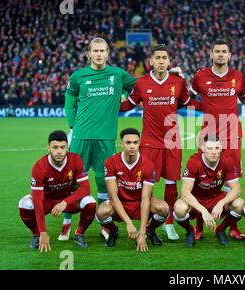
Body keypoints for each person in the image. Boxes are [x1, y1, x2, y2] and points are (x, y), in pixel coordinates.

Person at [119, 44, 201, 241]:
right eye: (158, 58)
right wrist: (105, 105)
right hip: (149, 143)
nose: (162, 61)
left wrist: (210, 106)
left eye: (165, 58)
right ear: (151, 61)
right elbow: (128, 104)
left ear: (169, 61)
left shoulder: (178, 82)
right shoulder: (142, 83)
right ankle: (146, 224)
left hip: (172, 141)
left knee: (171, 181)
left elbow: (187, 103)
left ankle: (169, 224)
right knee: (146, 184)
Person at [188, 38, 245, 241]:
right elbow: (191, 99)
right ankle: (199, 226)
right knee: (202, 179)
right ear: (211, 54)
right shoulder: (200, 77)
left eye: (224, 51)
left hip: (232, 135)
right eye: (217, 51)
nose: (221, 54)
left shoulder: (237, 76)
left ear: (230, 55)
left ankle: (231, 226)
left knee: (232, 181)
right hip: (209, 134)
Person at [62, 37, 137, 240]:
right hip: (81, 136)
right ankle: (67, 223)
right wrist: (72, 125)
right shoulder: (78, 76)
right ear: (89, 53)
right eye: (95, 51)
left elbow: (142, 87)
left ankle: (104, 223)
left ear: (107, 53)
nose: (98, 54)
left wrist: (167, 73)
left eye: (102, 51)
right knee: (74, 181)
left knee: (105, 180)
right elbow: (69, 101)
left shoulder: (118, 74)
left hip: (105, 137)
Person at [18, 130, 96, 251]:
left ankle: (79, 234)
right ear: (48, 147)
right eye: (55, 147)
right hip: (47, 201)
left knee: (90, 202)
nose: (59, 151)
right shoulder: (39, 167)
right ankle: (36, 235)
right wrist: (43, 232)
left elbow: (86, 188)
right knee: (24, 204)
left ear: (67, 147)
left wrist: (65, 202)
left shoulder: (76, 160)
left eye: (62, 147)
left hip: (67, 200)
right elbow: (38, 202)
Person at [95, 128, 169, 251]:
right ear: (122, 144)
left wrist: (141, 233)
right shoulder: (111, 162)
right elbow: (113, 196)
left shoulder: (148, 164)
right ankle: (114, 231)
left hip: (140, 203)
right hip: (120, 203)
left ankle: (150, 231)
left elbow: (146, 199)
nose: (132, 146)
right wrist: (129, 223)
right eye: (128, 143)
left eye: (135, 142)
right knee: (101, 212)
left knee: (164, 208)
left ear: (139, 143)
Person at [173, 134, 244, 247]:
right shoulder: (194, 161)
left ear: (221, 148)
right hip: (196, 198)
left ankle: (220, 229)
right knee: (179, 208)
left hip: (216, 197)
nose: (214, 152)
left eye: (216, 148)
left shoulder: (227, 161)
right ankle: (190, 231)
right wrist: (203, 211)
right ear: (203, 148)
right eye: (210, 148)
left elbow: (237, 190)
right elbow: (185, 192)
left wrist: (221, 203)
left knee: (240, 204)